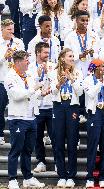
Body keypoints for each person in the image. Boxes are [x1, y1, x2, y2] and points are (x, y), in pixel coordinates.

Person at [4, 50, 45, 189]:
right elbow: (16, 95)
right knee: (16, 150)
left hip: (31, 117)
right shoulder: (9, 76)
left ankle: (27, 178)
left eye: (28, 60)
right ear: (17, 62)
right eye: (26, 60)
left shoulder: (29, 75)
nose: (28, 62)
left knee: (28, 150)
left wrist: (41, 93)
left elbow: (34, 94)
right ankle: (12, 179)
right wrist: (34, 89)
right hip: (17, 118)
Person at [49, 48, 83, 188]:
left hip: (72, 107)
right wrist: (59, 83)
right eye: (70, 56)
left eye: (73, 56)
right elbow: (52, 91)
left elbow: (80, 92)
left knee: (72, 140)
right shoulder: (53, 71)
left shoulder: (78, 72)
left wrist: (71, 79)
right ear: (62, 58)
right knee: (58, 141)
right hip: (58, 106)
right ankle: (61, 175)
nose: (72, 58)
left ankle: (71, 175)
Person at [83, 58, 104, 188]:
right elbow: (91, 94)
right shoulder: (87, 80)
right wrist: (100, 83)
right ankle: (90, 177)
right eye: (102, 67)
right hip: (94, 114)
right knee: (93, 145)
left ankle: (103, 176)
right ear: (95, 68)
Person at [27, 42, 56, 173]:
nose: (47, 55)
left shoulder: (53, 66)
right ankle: (40, 161)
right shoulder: (30, 68)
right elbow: (31, 86)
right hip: (37, 106)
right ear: (38, 52)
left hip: (51, 106)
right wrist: (39, 76)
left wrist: (48, 73)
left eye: (48, 52)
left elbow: (56, 83)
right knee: (37, 136)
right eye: (45, 52)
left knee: (55, 135)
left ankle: (58, 161)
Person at [0, 19, 25, 145]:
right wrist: (4, 56)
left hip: (16, 79)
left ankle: (18, 133)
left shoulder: (18, 42)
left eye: (13, 29)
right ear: (2, 29)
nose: (11, 32)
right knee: (0, 107)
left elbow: (24, 58)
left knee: (17, 107)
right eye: (9, 29)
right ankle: (0, 134)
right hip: (2, 79)